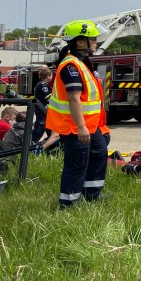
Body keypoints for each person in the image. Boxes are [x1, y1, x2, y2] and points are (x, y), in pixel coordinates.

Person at [46, 20, 107, 208]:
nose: (96, 42)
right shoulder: (71, 66)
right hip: (74, 126)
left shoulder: (81, 63)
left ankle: (92, 196)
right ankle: (69, 204)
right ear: (80, 42)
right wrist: (81, 127)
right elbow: (74, 98)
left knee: (99, 154)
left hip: (90, 125)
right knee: (77, 164)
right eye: (92, 39)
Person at [32, 66, 53, 143]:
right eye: (51, 75)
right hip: (42, 111)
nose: (52, 77)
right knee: (39, 130)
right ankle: (30, 145)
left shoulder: (41, 85)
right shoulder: (43, 85)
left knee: (50, 131)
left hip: (45, 112)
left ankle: (47, 144)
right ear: (48, 76)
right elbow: (49, 99)